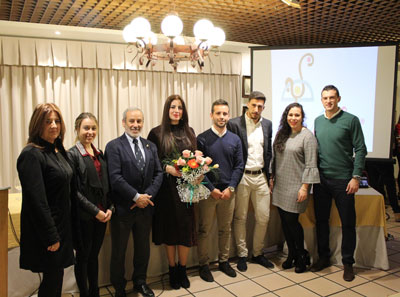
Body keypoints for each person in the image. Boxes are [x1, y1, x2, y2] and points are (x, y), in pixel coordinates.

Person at [17, 103, 74, 297]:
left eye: (57, 121)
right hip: (47, 231)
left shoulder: (57, 151)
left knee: (55, 278)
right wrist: (51, 235)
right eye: (48, 121)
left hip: (62, 226)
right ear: (37, 125)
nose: (53, 125)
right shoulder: (31, 155)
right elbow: (37, 201)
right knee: (52, 281)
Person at [105, 108, 163, 297]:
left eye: (139, 121)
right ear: (123, 122)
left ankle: (140, 282)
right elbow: (115, 177)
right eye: (131, 121)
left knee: (142, 249)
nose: (135, 125)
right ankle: (119, 287)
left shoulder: (150, 146)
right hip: (123, 209)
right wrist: (136, 197)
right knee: (119, 251)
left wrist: (147, 197)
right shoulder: (113, 146)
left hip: (146, 209)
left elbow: (158, 173)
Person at [312, 85, 367, 282]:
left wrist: (355, 177)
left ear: (339, 99)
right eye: (325, 98)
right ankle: (324, 258)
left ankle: (348, 264)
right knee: (321, 221)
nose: (329, 101)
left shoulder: (350, 120)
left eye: (332, 97)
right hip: (321, 181)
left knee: (348, 224)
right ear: (321, 100)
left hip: (344, 180)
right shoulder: (317, 121)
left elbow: (361, 149)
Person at [147, 95, 197, 289]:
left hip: (186, 189)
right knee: (170, 231)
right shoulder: (156, 133)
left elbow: (194, 158)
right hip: (166, 191)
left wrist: (197, 170)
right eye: (173, 107)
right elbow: (152, 161)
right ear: (167, 109)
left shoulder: (190, 132)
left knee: (185, 230)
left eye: (180, 107)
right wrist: (166, 168)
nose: (176, 110)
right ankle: (172, 269)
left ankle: (183, 269)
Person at [196, 99, 244, 282]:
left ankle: (224, 261)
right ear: (211, 115)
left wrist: (231, 187)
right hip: (208, 193)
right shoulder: (202, 138)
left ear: (229, 116)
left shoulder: (235, 139)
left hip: (228, 193)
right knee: (204, 230)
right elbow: (199, 168)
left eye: (225, 113)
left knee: (225, 229)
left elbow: (239, 166)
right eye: (218, 113)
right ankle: (203, 265)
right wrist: (212, 189)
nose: (222, 117)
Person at [227, 90, 274, 271]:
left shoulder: (268, 124)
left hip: (261, 176)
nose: (256, 109)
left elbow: (268, 151)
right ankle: (242, 255)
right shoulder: (234, 124)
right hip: (242, 176)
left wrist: (270, 176)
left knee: (264, 217)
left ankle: (258, 253)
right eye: (253, 105)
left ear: (264, 107)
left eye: (260, 106)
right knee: (241, 217)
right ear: (247, 104)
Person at [270, 103, 320, 273]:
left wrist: (305, 187)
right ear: (286, 116)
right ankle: (291, 254)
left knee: (292, 222)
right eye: (290, 115)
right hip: (280, 184)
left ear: (302, 117)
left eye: (297, 115)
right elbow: (275, 159)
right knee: (284, 222)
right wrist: (272, 178)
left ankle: (301, 256)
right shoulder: (282, 134)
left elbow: (311, 164)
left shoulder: (307, 137)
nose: (293, 118)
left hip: (296, 186)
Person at [68, 113, 113, 297]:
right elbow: (74, 192)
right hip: (84, 216)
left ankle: (95, 291)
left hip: (103, 215)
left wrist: (109, 208)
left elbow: (107, 185)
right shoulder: (72, 155)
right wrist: (96, 212)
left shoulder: (99, 153)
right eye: (86, 128)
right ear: (77, 129)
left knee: (94, 255)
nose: (90, 132)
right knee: (83, 257)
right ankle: (84, 293)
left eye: (93, 128)